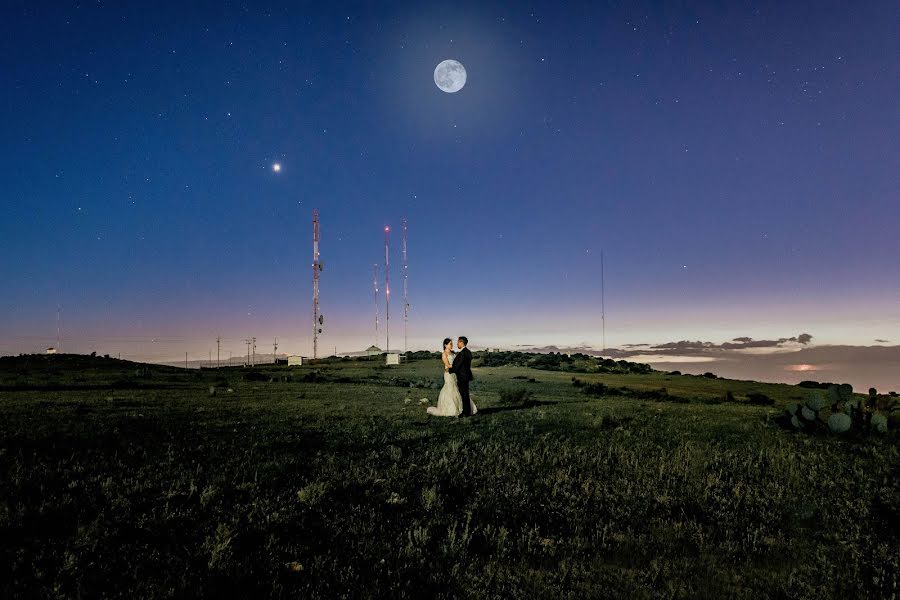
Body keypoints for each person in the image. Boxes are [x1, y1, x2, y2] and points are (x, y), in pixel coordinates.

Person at [426, 338, 463, 417]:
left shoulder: (453, 353)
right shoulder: (444, 354)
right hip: (448, 374)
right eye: (450, 344)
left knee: (455, 388)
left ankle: (458, 408)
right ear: (445, 345)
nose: (452, 345)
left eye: (452, 343)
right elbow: (448, 365)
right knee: (449, 388)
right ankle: (450, 409)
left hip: (454, 374)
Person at [448, 336, 476, 416]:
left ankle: (466, 412)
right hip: (465, 375)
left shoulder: (463, 353)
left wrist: (450, 370)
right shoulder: (467, 352)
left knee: (464, 394)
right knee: (465, 394)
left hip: (462, 376)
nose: (457, 344)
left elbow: (458, 365)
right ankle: (467, 411)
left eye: (458, 342)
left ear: (461, 342)